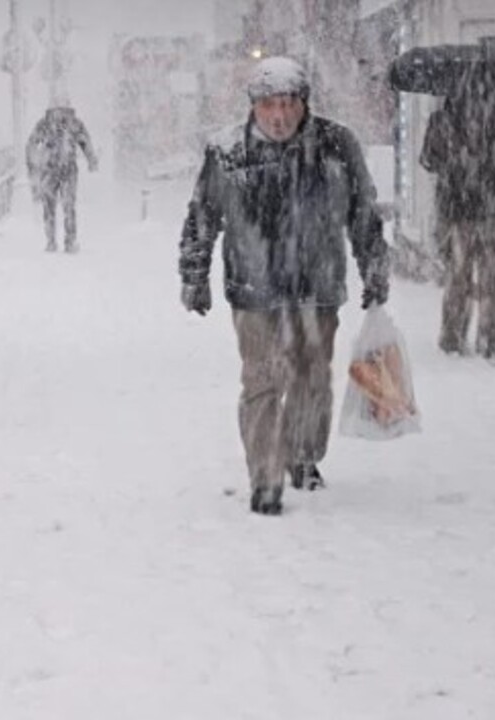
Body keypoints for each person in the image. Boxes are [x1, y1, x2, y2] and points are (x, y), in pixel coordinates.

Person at [178, 57, 390, 516]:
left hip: (318, 285)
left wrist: (374, 266)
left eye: (288, 104)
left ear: (304, 104)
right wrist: (193, 274)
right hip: (254, 288)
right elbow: (201, 217)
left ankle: (301, 456)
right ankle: (266, 477)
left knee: (312, 379)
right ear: (253, 107)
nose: (279, 116)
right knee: (262, 382)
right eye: (269, 105)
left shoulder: (336, 145)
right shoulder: (228, 150)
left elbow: (364, 213)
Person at [420, 77, 495, 361]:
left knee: (458, 278)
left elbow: (428, 160)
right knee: (492, 282)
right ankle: (488, 344)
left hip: (457, 210)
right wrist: (491, 166)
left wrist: (455, 166)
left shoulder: (442, 118)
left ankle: (452, 340)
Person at [26, 98, 98, 253]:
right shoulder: (74, 122)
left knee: (49, 208)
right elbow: (85, 141)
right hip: (68, 170)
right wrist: (91, 160)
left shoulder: (44, 123)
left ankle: (51, 242)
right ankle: (70, 242)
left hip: (48, 170)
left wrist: (34, 165)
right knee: (69, 207)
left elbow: (31, 143)